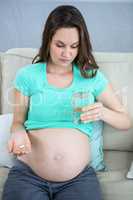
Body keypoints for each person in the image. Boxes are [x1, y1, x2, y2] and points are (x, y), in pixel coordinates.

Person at [2, 5, 131, 200]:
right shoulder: (28, 75)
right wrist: (18, 133)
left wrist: (103, 112)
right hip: (28, 176)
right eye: (60, 45)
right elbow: (18, 122)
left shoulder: (91, 77)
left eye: (74, 46)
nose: (67, 54)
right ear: (48, 41)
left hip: (78, 179)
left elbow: (126, 121)